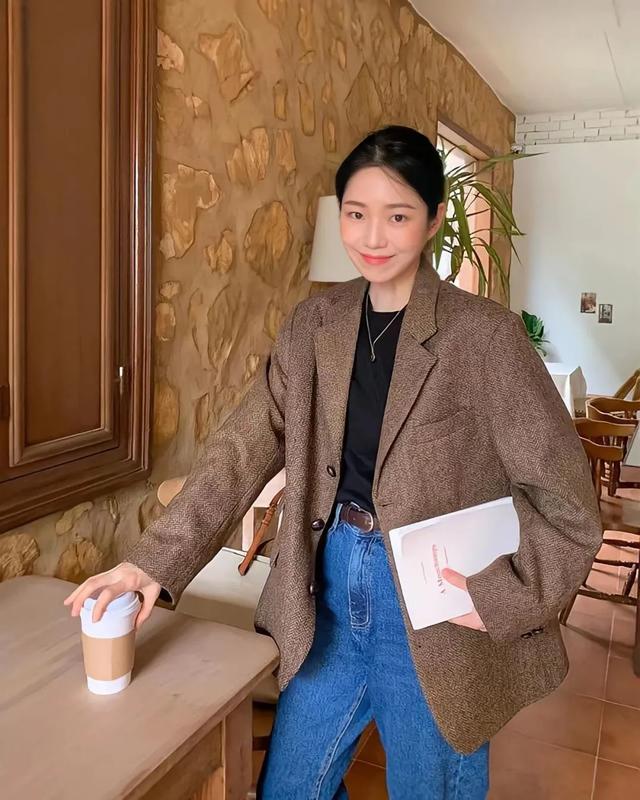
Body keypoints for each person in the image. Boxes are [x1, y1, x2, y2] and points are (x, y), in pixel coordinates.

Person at [65, 126, 602, 798]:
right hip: (325, 588)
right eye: (355, 213)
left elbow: (568, 503)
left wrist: (504, 594)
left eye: (398, 216)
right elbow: (242, 447)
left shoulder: (486, 337)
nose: (373, 236)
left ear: (435, 218)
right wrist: (151, 563)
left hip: (432, 608)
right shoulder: (313, 326)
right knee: (290, 788)